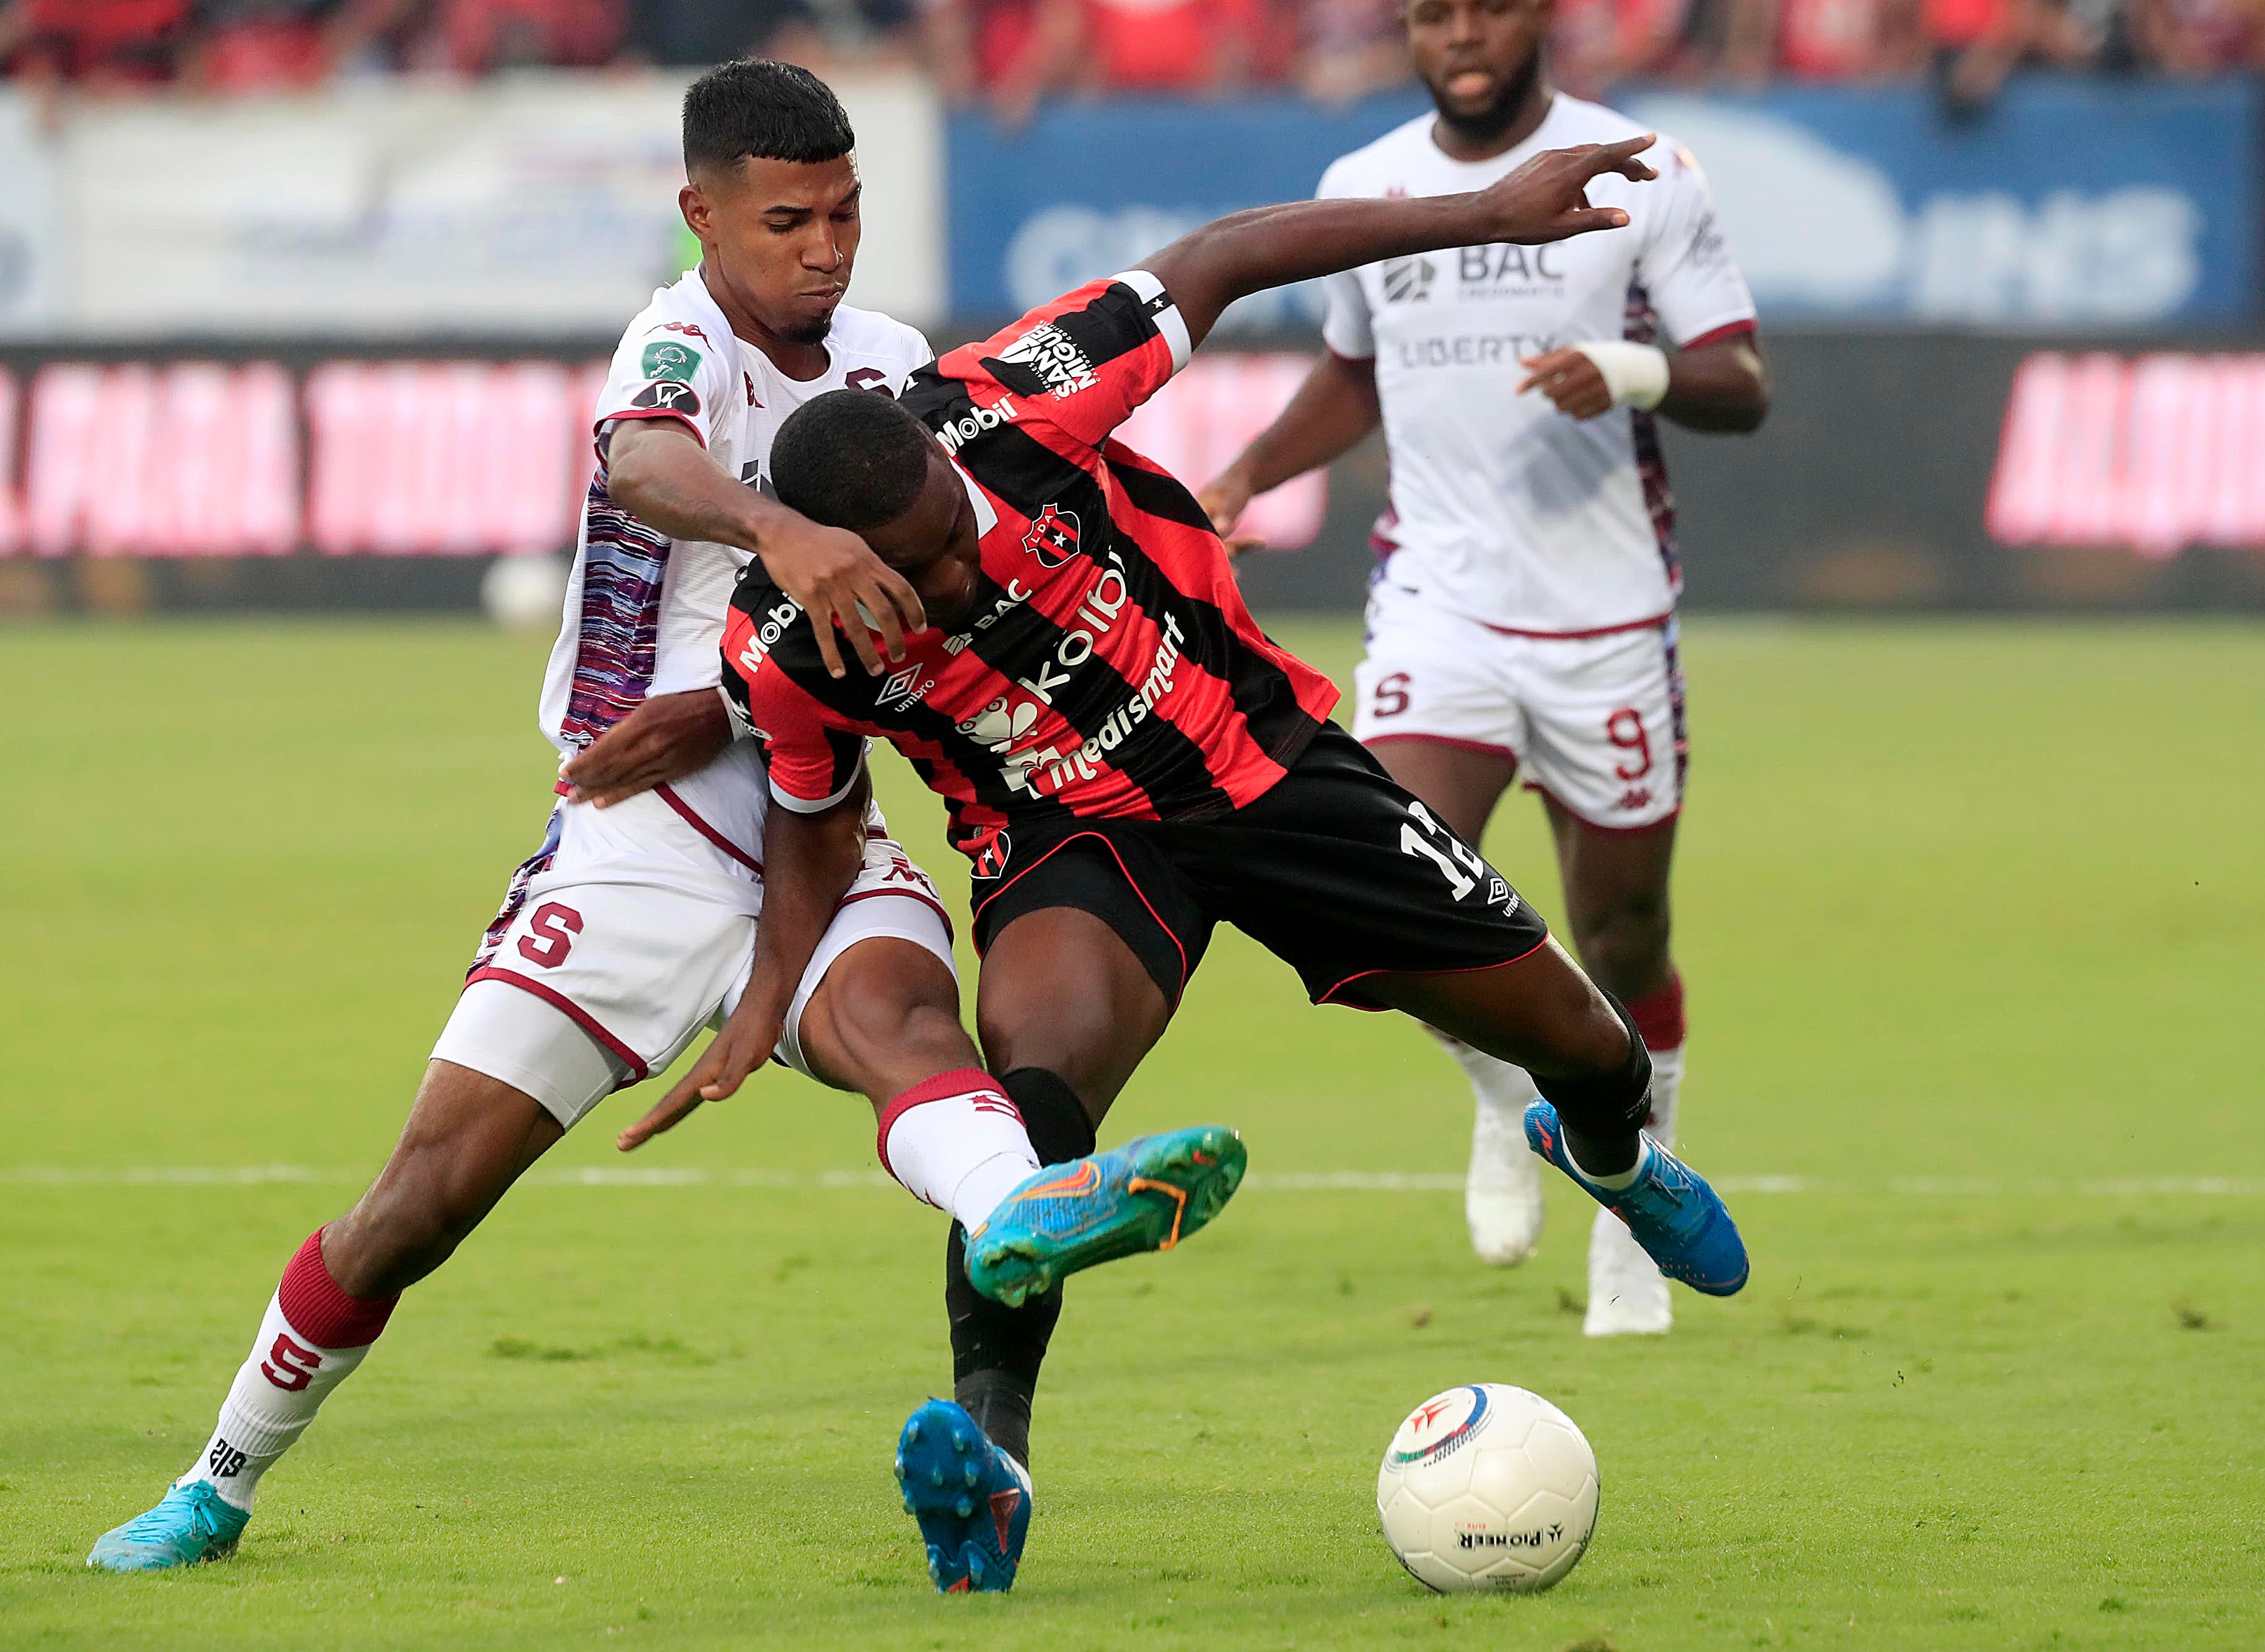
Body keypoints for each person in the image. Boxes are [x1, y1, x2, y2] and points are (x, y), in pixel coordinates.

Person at [84, 58, 1238, 1575]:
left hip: (814, 822)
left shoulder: (894, 366)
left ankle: (1031, 1212)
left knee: (912, 1031)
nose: (822, 248)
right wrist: (778, 527)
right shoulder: (674, 341)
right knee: (418, 1204)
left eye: (842, 214)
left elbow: (970, 539)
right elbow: (645, 461)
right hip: (637, 849)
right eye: (785, 220)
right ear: (701, 215)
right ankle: (219, 1479)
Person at [636, 134, 1750, 1594]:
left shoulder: (1015, 403)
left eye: (952, 546)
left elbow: (1223, 255)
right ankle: (992, 1468)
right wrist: (767, 988)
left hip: (1269, 766)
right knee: (1025, 1135)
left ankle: (1601, 1150)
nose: (958, 585)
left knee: (1586, 1050)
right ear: (829, 558)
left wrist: (1480, 209)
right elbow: (811, 812)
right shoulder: (790, 642)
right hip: (1068, 843)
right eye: (920, 581)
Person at [1198, 0, 1770, 1337]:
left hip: (1607, 616)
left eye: (1486, 10)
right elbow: (1355, 374)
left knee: (1625, 930)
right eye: (1431, 15)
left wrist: (1628, 370)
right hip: (1437, 605)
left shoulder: (1642, 169)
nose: (1458, 35)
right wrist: (1241, 474)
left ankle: (1635, 1192)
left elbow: (1738, 380)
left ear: (1538, 19)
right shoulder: (1365, 185)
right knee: (1390, 896)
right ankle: (1513, 1101)